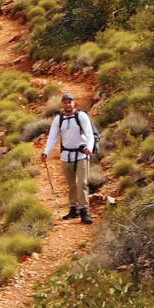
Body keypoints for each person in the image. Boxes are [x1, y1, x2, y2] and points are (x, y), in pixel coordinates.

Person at [39, 92, 98, 224]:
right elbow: (53, 137)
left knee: (82, 183)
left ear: (74, 103)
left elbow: (89, 134)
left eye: (69, 101)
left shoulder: (81, 116)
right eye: (65, 102)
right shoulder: (58, 119)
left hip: (82, 155)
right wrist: (45, 152)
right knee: (71, 185)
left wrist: (89, 147)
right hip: (66, 156)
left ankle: (84, 211)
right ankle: (73, 209)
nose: (67, 104)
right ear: (62, 104)